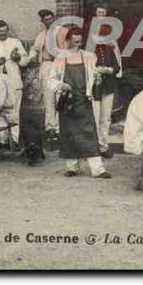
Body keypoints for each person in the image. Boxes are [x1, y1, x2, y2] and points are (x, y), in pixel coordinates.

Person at [49, 27, 110, 178]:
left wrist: (97, 77)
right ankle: (72, 167)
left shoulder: (89, 56)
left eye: (80, 41)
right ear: (68, 40)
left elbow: (93, 74)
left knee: (89, 133)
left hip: (84, 99)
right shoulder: (60, 58)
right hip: (67, 100)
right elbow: (51, 79)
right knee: (69, 134)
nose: (77, 44)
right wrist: (60, 85)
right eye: (74, 41)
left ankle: (98, 169)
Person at [0, 19, 29, 146]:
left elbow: (25, 61)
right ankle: (3, 141)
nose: (3, 34)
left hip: (14, 82)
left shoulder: (15, 43)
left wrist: (18, 58)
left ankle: (14, 140)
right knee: (0, 112)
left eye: (5, 31)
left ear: (8, 30)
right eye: (0, 32)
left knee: (14, 113)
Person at [88, 4, 122, 158]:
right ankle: (93, 146)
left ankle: (103, 145)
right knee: (94, 116)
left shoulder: (109, 49)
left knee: (105, 117)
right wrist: (95, 71)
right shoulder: (89, 51)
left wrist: (107, 70)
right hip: (94, 86)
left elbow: (115, 67)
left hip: (108, 86)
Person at [28, 9, 68, 138]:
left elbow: (68, 49)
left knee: (59, 96)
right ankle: (51, 126)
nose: (49, 21)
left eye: (51, 18)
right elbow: (34, 49)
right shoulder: (42, 35)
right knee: (48, 97)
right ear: (43, 21)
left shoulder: (62, 31)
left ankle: (60, 127)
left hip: (59, 65)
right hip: (46, 65)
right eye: (46, 19)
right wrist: (32, 56)